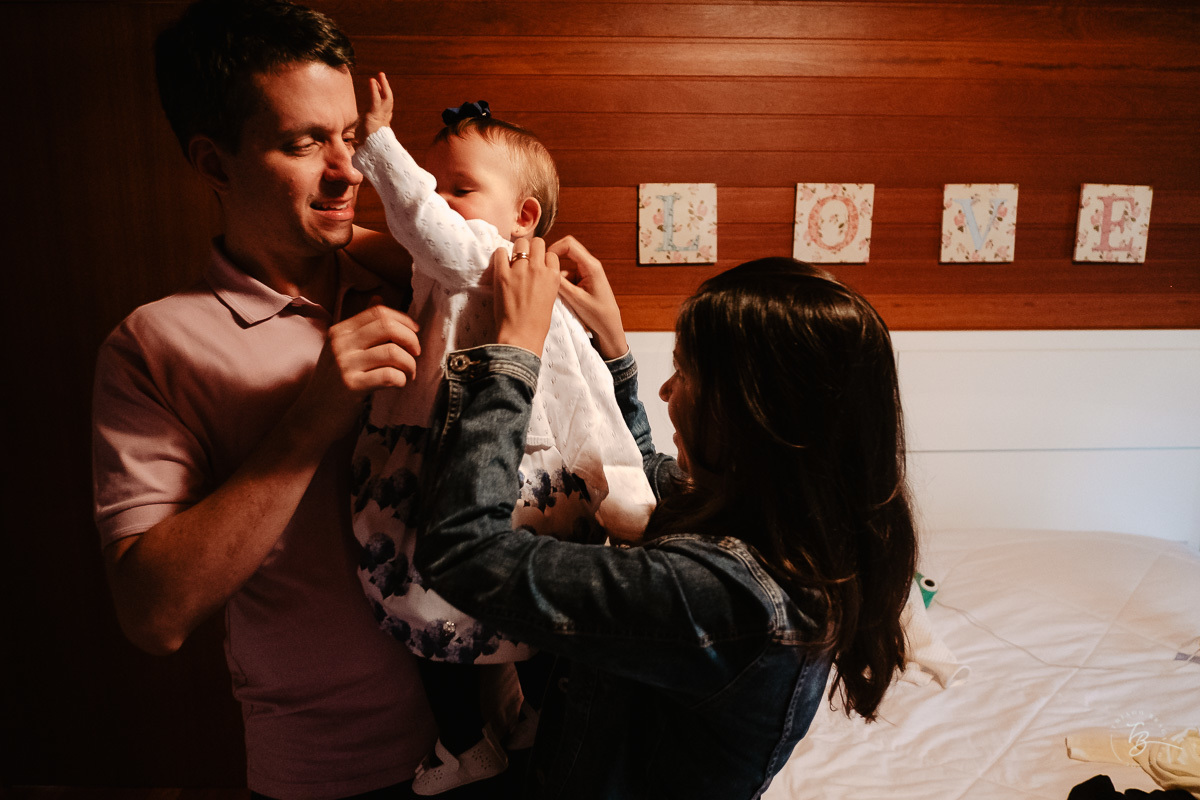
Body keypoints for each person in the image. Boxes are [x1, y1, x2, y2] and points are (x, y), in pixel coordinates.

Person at [411, 239, 920, 798]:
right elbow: (640, 480)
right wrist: (611, 346)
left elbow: (464, 554)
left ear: (750, 411)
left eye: (684, 370)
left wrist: (511, 354)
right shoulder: (783, 524)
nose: (666, 389)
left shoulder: (727, 596)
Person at [91, 1, 442, 796]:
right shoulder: (152, 347)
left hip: (502, 739)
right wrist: (311, 418)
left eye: (349, 135)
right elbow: (152, 615)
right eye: (304, 142)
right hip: (336, 771)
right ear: (215, 163)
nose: (348, 169)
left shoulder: (412, 283)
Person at [347, 75, 656, 794]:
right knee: (534, 610)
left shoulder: (484, 251)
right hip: (512, 463)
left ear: (522, 216)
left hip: (478, 459)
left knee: (425, 586)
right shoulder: (480, 264)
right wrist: (341, 243)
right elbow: (413, 248)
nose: (436, 198)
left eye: (456, 186)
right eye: (431, 184)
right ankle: (529, 718)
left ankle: (467, 740)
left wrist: (380, 148)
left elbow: (427, 230)